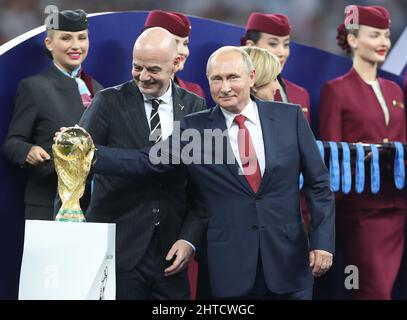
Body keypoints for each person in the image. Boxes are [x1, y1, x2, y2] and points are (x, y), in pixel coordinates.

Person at [86, 46, 335, 299]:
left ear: (251, 77)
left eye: (232, 78)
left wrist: (323, 242)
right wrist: (86, 152)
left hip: (289, 263)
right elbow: (145, 161)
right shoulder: (194, 128)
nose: (225, 87)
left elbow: (319, 185)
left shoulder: (289, 117)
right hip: (229, 269)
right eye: (217, 79)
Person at [76, 27, 207, 300]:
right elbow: (76, 166)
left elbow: (201, 185)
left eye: (154, 70)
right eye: (137, 67)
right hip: (116, 249)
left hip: (170, 253)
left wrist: (189, 239)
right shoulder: (107, 102)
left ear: (176, 64)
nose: (143, 77)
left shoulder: (195, 107)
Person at [318, 5, 406, 300]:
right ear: (353, 40)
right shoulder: (336, 90)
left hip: (396, 206)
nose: (384, 41)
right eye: (374, 34)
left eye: (386, 35)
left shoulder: (395, 91)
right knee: (369, 289)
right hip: (359, 210)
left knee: (384, 289)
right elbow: (331, 154)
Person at [3, 9, 103, 220]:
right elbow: (13, 142)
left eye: (82, 38)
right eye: (66, 38)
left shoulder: (100, 91)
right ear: (49, 43)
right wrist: (28, 150)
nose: (76, 45)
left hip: (93, 204)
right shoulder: (35, 88)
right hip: (48, 203)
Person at [240, 12, 310, 122]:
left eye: (286, 44)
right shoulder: (238, 90)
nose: (282, 52)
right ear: (251, 46)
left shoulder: (300, 94)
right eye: (273, 44)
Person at [144, 10, 205, 98]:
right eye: (174, 42)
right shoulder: (122, 94)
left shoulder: (194, 93)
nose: (183, 51)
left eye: (185, 44)